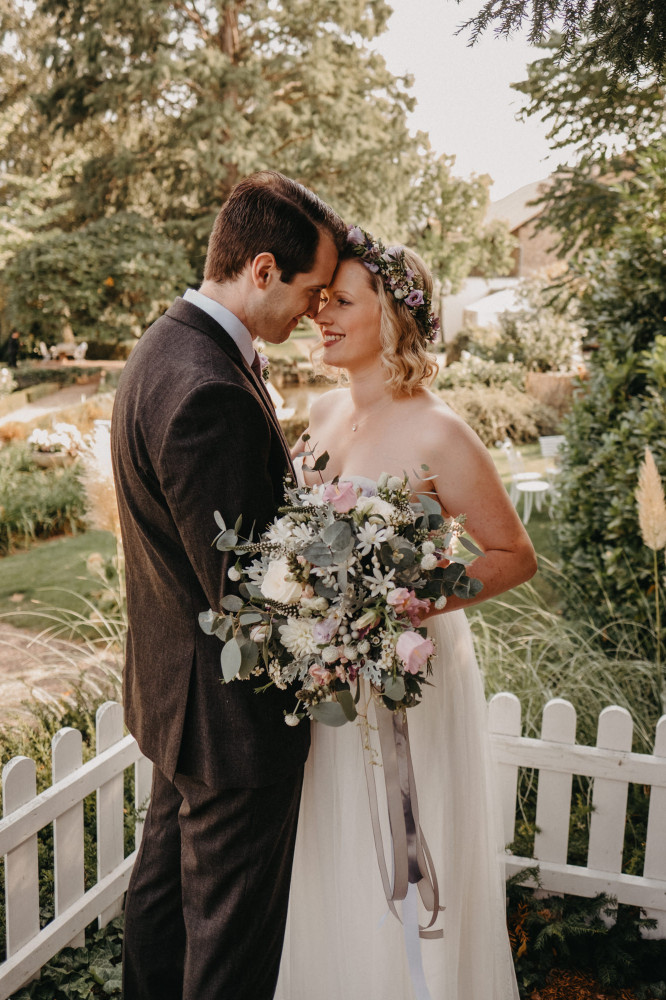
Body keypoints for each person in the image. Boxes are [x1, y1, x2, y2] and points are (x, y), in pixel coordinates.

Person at [275, 228, 537, 1000]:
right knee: (334, 853)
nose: (320, 314)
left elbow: (513, 555)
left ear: (392, 317)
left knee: (396, 842)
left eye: (341, 302)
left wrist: (409, 599)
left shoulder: (440, 432)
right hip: (329, 675)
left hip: (407, 675)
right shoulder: (319, 413)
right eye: (320, 301)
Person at [111, 170, 345, 1000]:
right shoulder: (209, 387)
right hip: (230, 728)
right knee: (230, 955)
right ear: (261, 270)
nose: (316, 313)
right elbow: (251, 597)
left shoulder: (164, 348)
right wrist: (355, 588)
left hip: (177, 706)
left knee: (163, 911)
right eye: (312, 290)